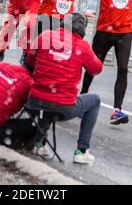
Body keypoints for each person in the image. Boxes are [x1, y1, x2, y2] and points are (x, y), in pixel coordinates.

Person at [26, 12, 103, 164]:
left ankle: (39, 143)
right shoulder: (82, 46)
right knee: (94, 100)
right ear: (82, 29)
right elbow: (96, 69)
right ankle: (81, 151)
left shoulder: (45, 36)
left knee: (47, 95)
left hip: (35, 102)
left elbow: (30, 60)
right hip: (62, 107)